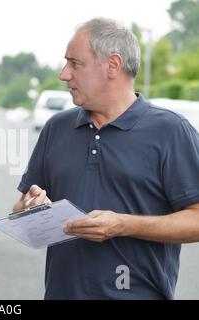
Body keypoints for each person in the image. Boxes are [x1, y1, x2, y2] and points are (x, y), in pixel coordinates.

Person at [14, 17, 199, 299]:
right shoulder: (56, 128)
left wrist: (124, 224)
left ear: (112, 65)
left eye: (75, 63)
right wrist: (31, 208)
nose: (64, 74)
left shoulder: (171, 131)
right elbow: (20, 211)